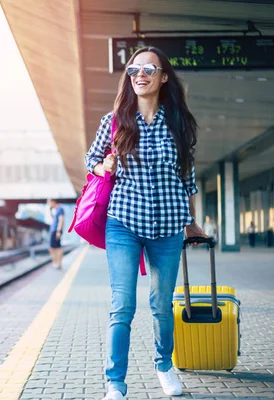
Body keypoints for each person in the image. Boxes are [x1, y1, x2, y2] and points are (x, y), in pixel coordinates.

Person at [85, 46, 206, 399]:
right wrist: (101, 167)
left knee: (161, 303)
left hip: (168, 225)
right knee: (122, 304)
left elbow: (187, 177)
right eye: (134, 69)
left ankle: (163, 365)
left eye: (149, 69)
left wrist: (192, 224)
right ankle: (115, 383)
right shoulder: (115, 121)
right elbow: (91, 160)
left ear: (163, 77)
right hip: (123, 221)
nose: (140, 74)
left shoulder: (178, 122)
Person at [47, 198, 65, 269]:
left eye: (49, 203)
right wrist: (50, 210)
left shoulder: (60, 209)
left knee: (56, 248)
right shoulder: (56, 210)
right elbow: (53, 219)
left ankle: (58, 263)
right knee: (53, 248)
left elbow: (61, 220)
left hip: (56, 231)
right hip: (54, 230)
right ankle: (57, 263)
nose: (48, 204)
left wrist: (58, 231)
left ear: (53, 201)